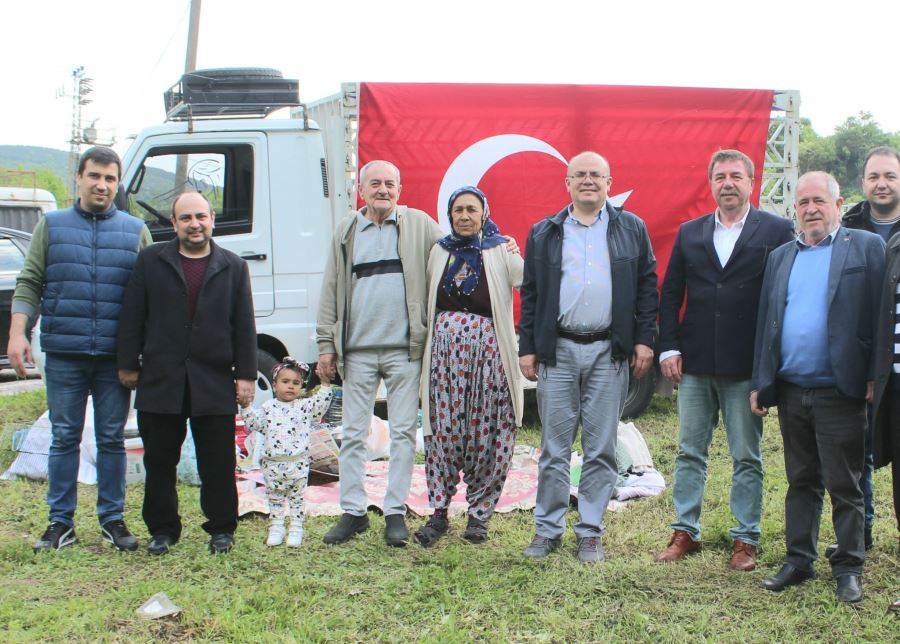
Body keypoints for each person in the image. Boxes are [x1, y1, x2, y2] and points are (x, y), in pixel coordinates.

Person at [8, 146, 152, 553]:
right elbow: (30, 282)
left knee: (110, 439)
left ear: (117, 183)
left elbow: (149, 296)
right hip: (65, 352)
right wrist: (18, 333)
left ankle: (112, 520)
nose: (102, 185)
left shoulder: (134, 230)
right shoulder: (51, 226)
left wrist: (144, 351)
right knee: (64, 437)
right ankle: (60, 523)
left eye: (110, 178)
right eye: (95, 176)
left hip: (113, 358)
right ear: (79, 177)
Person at [655, 150, 794, 571]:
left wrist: (769, 365)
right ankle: (685, 531)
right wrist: (670, 347)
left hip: (745, 365)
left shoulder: (777, 229)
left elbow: (782, 298)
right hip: (695, 363)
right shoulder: (690, 232)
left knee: (746, 456)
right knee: (689, 452)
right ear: (711, 183)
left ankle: (745, 538)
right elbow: (671, 293)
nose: (728, 182)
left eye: (736, 175)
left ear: (750, 181)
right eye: (720, 176)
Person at [518, 151, 658, 563]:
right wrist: (528, 345)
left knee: (601, 448)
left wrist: (644, 339)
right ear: (567, 183)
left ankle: (590, 530)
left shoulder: (631, 228)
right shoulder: (545, 232)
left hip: (607, 352)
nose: (588, 181)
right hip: (557, 351)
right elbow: (530, 293)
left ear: (609, 182)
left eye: (596, 175)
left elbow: (648, 286)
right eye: (579, 175)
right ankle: (548, 530)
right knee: (554, 448)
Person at [752, 171, 885, 603]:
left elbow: (878, 319)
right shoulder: (780, 257)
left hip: (840, 389)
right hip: (792, 389)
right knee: (801, 480)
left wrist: (873, 376)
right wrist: (762, 381)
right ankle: (798, 560)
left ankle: (849, 566)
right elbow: (766, 323)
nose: (811, 209)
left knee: (845, 484)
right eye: (803, 202)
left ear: (838, 203)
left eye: (819, 201)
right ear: (795, 209)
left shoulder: (865, 248)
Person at [117, 191, 257, 555]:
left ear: (212, 219)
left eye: (201, 217)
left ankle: (222, 529)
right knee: (160, 460)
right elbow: (133, 315)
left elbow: (243, 325)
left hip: (212, 379)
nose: (194, 224)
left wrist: (245, 375)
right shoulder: (150, 261)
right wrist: (128, 363)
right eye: (185, 218)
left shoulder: (234, 266)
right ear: (174, 223)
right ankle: (163, 530)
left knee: (217, 462)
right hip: (162, 378)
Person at [316, 160, 444, 547]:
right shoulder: (347, 230)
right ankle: (353, 511)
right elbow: (331, 289)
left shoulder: (419, 224)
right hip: (357, 351)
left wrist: (498, 241)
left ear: (400, 189)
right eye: (375, 183)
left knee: (404, 433)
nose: (383, 189)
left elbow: (456, 248)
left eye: (390, 183)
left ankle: (395, 512)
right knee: (354, 434)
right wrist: (326, 345)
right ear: (361, 189)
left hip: (405, 350)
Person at [413, 186, 523, 547]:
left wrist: (514, 250)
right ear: (450, 214)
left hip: (488, 356)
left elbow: (526, 279)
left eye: (471, 210)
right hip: (444, 358)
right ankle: (439, 512)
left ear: (483, 213)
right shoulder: (439, 252)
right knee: (443, 432)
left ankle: (479, 516)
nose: (464, 216)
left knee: (488, 430)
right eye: (458, 209)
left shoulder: (498, 248)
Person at [839, 146, 900, 553]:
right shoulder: (847, 226)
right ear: (862, 183)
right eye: (874, 176)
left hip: (894, 357)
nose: (882, 184)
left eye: (890, 176)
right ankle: (862, 529)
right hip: (858, 359)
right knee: (858, 448)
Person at [240, 358, 333, 548]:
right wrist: (246, 406)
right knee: (274, 496)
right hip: (272, 463)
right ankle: (277, 526)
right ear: (274, 385)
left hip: (297, 462)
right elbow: (253, 423)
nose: (290, 387)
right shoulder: (267, 408)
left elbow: (321, 404)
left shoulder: (304, 406)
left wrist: (325, 383)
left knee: (297, 498)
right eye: (285, 382)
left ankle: (296, 527)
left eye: (296, 383)